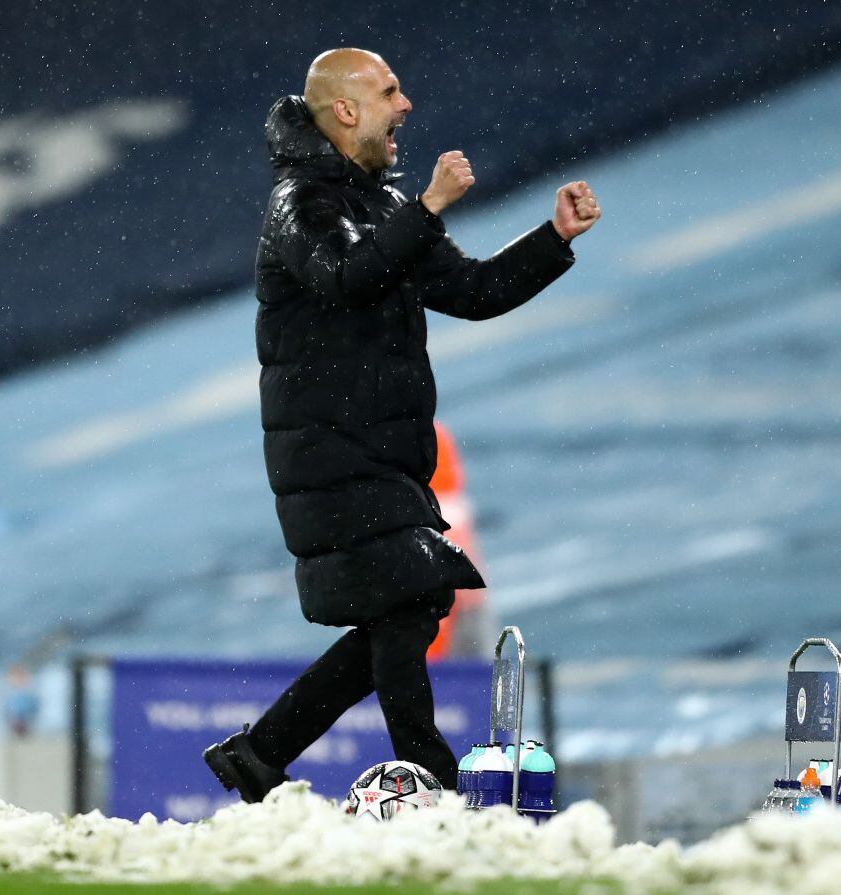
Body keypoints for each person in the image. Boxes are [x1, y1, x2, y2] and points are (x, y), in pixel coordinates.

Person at [204, 48, 601, 802]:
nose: (407, 103)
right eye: (390, 91)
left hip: (380, 453)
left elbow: (475, 289)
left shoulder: (380, 207)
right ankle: (435, 780)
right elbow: (348, 277)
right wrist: (429, 207)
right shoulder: (303, 201)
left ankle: (260, 753)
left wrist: (553, 239)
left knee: (409, 608)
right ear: (347, 110)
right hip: (325, 452)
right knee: (409, 598)